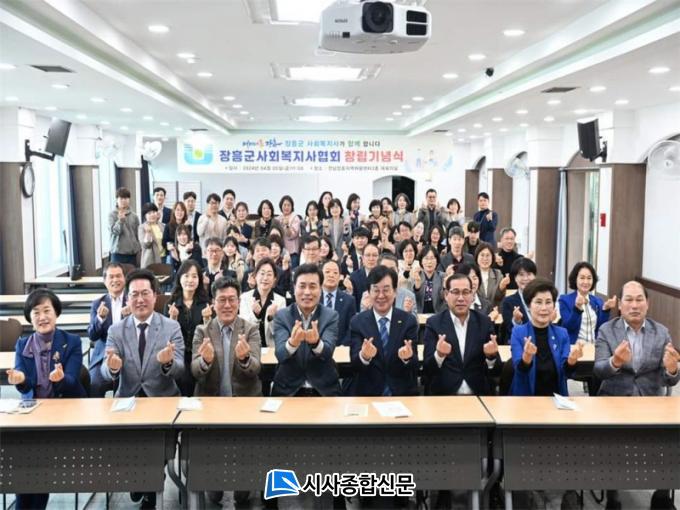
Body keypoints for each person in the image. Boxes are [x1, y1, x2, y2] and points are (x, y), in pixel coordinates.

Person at [594, 280, 680, 510]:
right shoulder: (607, 330)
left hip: (651, 403)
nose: (634, 305)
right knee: (611, 446)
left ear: (647, 304)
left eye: (639, 300)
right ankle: (613, 496)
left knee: (672, 439)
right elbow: (599, 370)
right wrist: (615, 361)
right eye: (629, 300)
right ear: (619, 305)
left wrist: (673, 369)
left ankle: (662, 494)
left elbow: (671, 379)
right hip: (614, 402)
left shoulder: (661, 332)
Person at [8, 289, 86, 510]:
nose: (42, 317)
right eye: (36, 312)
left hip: (66, 411)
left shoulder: (71, 342)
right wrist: (21, 379)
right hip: (33, 413)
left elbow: (72, 380)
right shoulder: (23, 345)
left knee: (39, 456)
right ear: (29, 318)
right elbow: (25, 383)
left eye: (46, 311)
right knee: (25, 457)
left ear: (56, 313)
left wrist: (60, 378)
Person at [191, 276, 262, 510]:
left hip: (244, 407)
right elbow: (194, 370)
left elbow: (255, 368)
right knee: (213, 496)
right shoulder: (202, 331)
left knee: (242, 496)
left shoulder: (250, 330)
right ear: (214, 303)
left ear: (239, 302)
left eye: (232, 299)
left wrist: (244, 358)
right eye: (222, 300)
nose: (228, 305)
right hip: (212, 409)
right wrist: (205, 361)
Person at [101, 268, 184, 398]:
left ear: (155, 296)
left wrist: (168, 363)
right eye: (134, 294)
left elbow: (180, 370)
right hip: (128, 399)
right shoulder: (115, 330)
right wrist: (112, 367)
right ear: (127, 299)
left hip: (163, 398)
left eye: (145, 293)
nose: (140, 300)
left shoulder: (172, 327)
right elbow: (104, 371)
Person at [346, 265, 419, 398]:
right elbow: (354, 365)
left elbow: (415, 364)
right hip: (368, 394)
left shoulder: (408, 321)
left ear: (395, 292)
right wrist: (364, 356)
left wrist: (407, 357)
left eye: (386, 290)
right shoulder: (357, 322)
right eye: (376, 290)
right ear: (369, 292)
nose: (381, 295)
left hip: (401, 394)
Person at [422, 273, 501, 396]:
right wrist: (439, 355)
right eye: (455, 292)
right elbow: (427, 370)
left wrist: (491, 357)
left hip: (478, 395)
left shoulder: (484, 323)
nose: (460, 298)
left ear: (472, 295)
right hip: (445, 396)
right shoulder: (434, 323)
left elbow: (497, 371)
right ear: (446, 295)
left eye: (465, 292)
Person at [271, 264, 340, 396]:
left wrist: (316, 343)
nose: (307, 292)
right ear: (294, 288)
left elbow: (328, 353)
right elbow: (280, 354)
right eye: (302, 286)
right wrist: (292, 343)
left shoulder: (331, 316)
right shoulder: (282, 316)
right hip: (288, 390)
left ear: (320, 289)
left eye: (312, 286)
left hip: (323, 390)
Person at [510, 278, 583, 396]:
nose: (544, 308)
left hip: (556, 399)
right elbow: (519, 371)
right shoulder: (519, 332)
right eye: (538, 302)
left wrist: (571, 361)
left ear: (554, 305)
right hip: (525, 399)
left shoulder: (562, 334)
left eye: (548, 302)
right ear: (529, 305)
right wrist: (527, 357)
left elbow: (566, 373)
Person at [165, 260, 212, 396]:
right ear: (179, 278)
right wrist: (173, 319)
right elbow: (165, 336)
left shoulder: (206, 303)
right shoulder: (171, 304)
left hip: (199, 354)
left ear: (199, 280)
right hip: (178, 354)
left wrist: (207, 319)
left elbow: (211, 335)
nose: (190, 280)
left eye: (194, 276)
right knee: (183, 379)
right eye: (186, 276)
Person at [87, 262, 129, 397]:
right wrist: (100, 318)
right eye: (111, 277)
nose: (115, 280)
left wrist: (130, 318)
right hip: (104, 354)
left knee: (126, 385)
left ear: (124, 279)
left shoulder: (133, 300)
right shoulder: (97, 304)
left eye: (118, 276)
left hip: (129, 353)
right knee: (94, 383)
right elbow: (92, 336)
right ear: (105, 281)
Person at [559, 262, 617, 345]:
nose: (586, 282)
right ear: (575, 279)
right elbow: (568, 327)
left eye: (589, 278)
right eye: (582, 278)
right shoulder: (565, 300)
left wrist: (606, 309)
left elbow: (601, 328)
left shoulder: (597, 301)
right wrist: (577, 308)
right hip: (575, 348)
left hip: (594, 347)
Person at [239, 257, 286, 347]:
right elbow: (244, 328)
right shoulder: (245, 298)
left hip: (271, 349)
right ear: (255, 276)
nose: (265, 278)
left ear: (274, 279)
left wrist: (271, 319)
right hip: (250, 347)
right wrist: (256, 316)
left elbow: (280, 332)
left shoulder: (280, 301)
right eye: (262, 273)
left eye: (269, 274)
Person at [321, 259, 357, 346]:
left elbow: (351, 328)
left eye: (335, 273)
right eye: (327, 272)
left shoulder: (349, 300)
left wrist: (342, 347)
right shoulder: (313, 298)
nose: (331, 275)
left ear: (340, 277)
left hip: (340, 349)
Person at [500, 257, 537, 341]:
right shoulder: (508, 302)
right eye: (521, 275)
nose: (525, 278)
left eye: (529, 274)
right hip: (520, 343)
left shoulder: (542, 299)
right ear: (515, 278)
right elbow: (510, 330)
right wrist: (517, 321)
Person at [109, 186, 140, 265]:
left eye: (126, 198)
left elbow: (137, 235)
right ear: (117, 199)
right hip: (117, 254)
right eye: (121, 198)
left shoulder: (134, 216)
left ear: (129, 199)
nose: (123, 200)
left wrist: (137, 247)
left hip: (132, 254)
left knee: (132, 273)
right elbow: (114, 232)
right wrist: (120, 221)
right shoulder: (112, 215)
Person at [413, 245, 446, 314]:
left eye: (432, 258)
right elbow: (413, 299)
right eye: (426, 258)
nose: (429, 262)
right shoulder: (416, 275)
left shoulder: (442, 276)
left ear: (437, 261)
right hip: (419, 314)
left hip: (438, 314)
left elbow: (444, 298)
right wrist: (417, 287)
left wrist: (445, 286)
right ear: (421, 261)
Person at [348, 242, 380, 308]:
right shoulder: (354, 277)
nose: (371, 259)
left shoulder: (385, 276)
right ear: (362, 258)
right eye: (368, 255)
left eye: (374, 255)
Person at [276, 195, 301, 268]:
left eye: (288, 205)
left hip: (292, 253)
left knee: (292, 272)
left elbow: (291, 236)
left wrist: (287, 225)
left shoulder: (295, 218)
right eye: (284, 205)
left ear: (292, 206)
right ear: (281, 206)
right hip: (280, 253)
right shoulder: (277, 219)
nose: (286, 207)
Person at [138, 202, 165, 268]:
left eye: (154, 212)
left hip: (164, 258)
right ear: (145, 216)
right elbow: (146, 245)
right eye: (149, 213)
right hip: (150, 261)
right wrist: (148, 233)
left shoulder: (162, 225)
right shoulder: (142, 227)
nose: (152, 215)